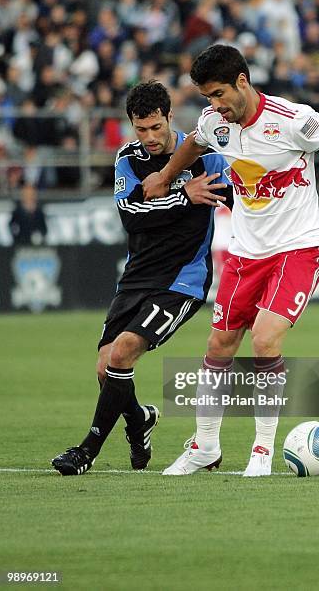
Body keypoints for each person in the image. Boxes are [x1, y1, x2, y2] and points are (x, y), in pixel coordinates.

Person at [142, 45, 319, 477]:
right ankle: (204, 447)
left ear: (242, 82)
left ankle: (262, 451)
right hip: (247, 252)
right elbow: (194, 141)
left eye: (219, 94)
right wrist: (166, 175)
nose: (214, 105)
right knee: (218, 346)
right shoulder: (215, 123)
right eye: (207, 97)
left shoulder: (292, 120)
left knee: (265, 341)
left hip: (299, 246)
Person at [51, 80, 233, 475]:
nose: (149, 137)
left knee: (122, 353)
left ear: (170, 117)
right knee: (106, 367)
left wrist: (164, 197)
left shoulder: (208, 159)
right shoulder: (128, 159)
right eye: (140, 128)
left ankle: (87, 451)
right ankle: (138, 419)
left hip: (183, 279)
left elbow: (243, 200)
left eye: (155, 127)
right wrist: (185, 196)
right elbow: (131, 216)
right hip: (136, 277)